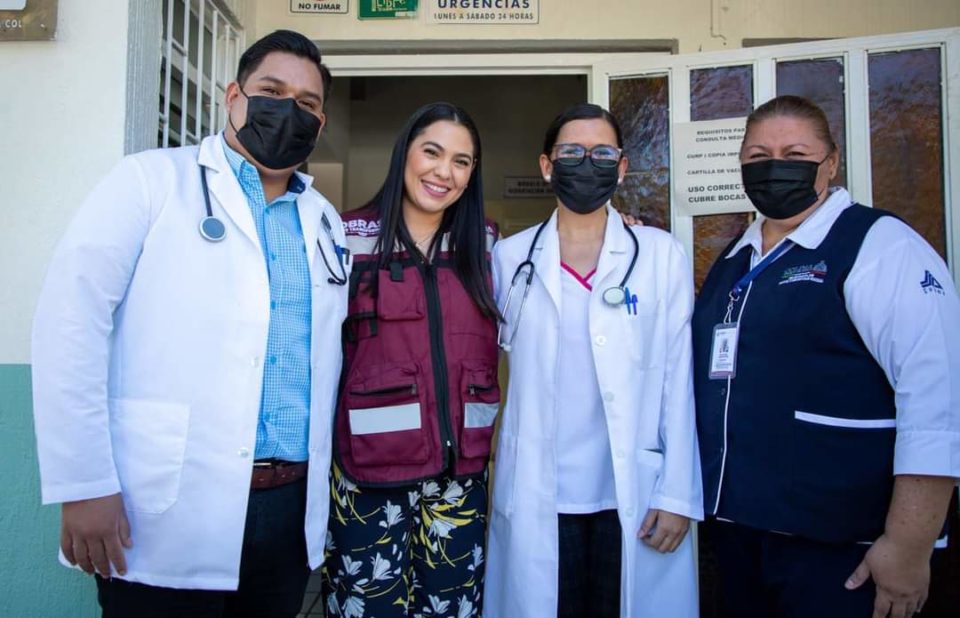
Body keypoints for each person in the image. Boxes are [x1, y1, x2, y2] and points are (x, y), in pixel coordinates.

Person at [31, 30, 348, 617]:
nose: (289, 110)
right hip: (162, 509)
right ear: (233, 98)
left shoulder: (323, 219)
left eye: (306, 104)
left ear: (320, 125)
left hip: (287, 510)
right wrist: (82, 484)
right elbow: (68, 327)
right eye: (271, 91)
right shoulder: (149, 182)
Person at [693, 94, 960, 618]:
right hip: (740, 537)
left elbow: (937, 401)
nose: (774, 167)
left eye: (795, 153)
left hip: (843, 549)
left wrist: (909, 546)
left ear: (831, 163)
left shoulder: (879, 246)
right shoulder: (736, 256)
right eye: (756, 156)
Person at [483, 103, 703, 618]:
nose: (587, 162)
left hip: (631, 492)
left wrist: (677, 494)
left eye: (602, 152)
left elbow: (679, 380)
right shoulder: (509, 259)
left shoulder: (658, 254)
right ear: (546, 166)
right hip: (539, 490)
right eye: (571, 153)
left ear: (622, 167)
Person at [322, 102, 499, 618]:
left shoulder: (487, 245)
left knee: (453, 609)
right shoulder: (344, 237)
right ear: (405, 154)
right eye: (433, 152)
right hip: (368, 474)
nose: (445, 172)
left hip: (460, 476)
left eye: (462, 161)